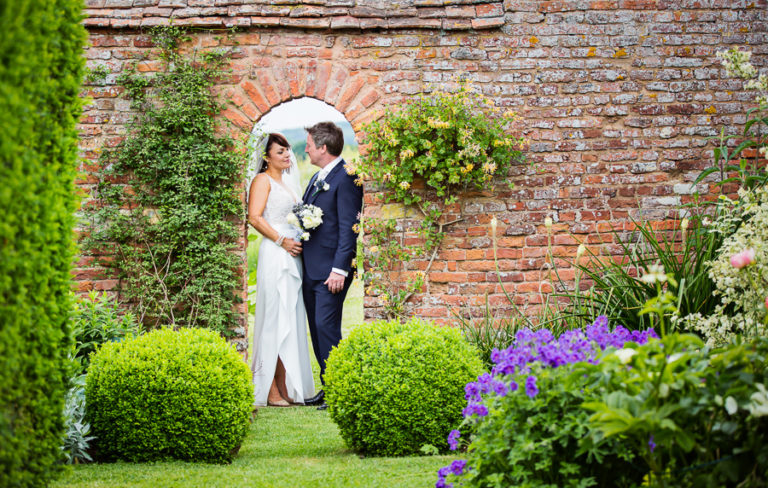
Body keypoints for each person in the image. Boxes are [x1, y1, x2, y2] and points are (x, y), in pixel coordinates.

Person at [247, 132, 315, 407]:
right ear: (266, 158)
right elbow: (254, 217)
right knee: (274, 318)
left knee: (290, 318)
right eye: (280, 152)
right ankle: (269, 388)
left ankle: (286, 385)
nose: (287, 155)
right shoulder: (262, 181)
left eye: (287, 151)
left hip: (292, 253)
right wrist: (281, 240)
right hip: (276, 254)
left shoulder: (287, 182)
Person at [300, 122, 363, 410]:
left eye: (309, 144)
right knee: (316, 327)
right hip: (311, 268)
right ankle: (328, 387)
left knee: (327, 327)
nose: (306, 149)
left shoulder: (347, 177)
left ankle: (339, 389)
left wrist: (340, 269)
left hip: (331, 271)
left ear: (323, 147)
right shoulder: (316, 178)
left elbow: (350, 226)